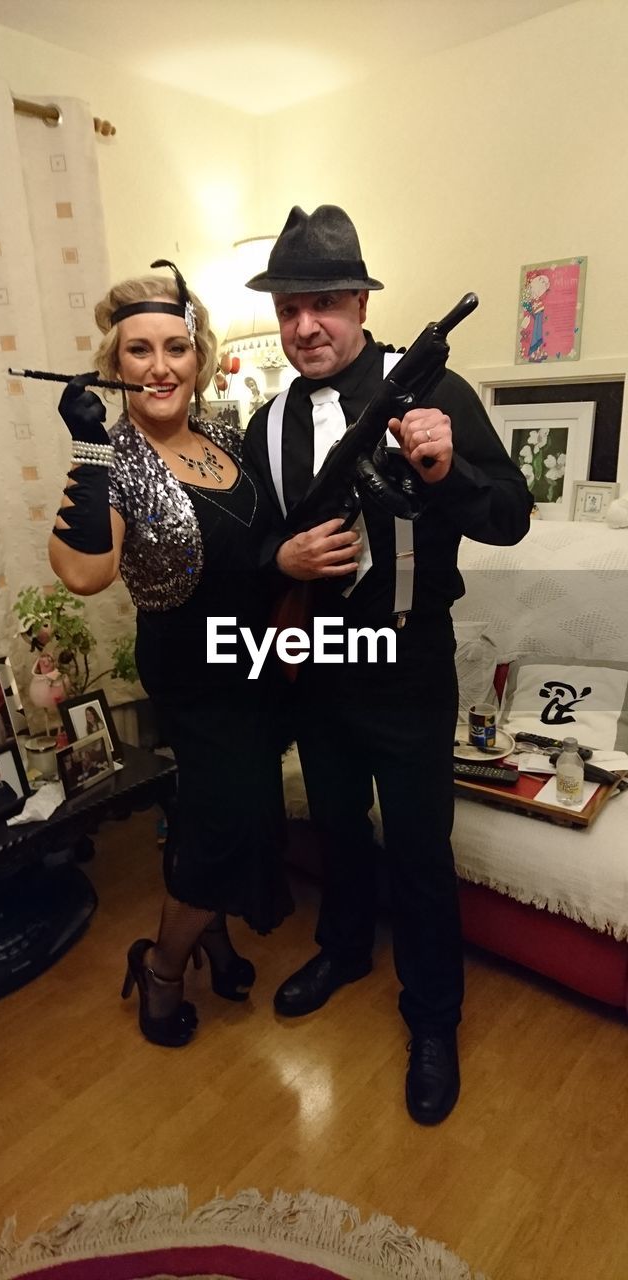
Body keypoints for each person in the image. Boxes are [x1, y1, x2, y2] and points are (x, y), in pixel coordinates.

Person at [241, 205, 533, 1126]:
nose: (304, 326)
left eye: (322, 302)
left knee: (417, 845)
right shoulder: (268, 421)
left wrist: (448, 474)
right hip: (314, 655)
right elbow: (248, 542)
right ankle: (343, 947)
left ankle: (433, 1017)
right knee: (334, 820)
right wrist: (275, 565)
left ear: (362, 302)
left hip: (407, 656)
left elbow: (511, 517)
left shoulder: (434, 391)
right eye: (289, 308)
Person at [48, 261, 292, 1050]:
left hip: (258, 656)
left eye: (175, 349)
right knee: (224, 821)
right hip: (192, 667)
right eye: (139, 352)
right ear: (113, 368)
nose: (160, 367)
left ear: (201, 357)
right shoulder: (113, 459)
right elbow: (84, 573)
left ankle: (212, 937)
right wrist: (88, 447)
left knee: (238, 813)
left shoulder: (225, 433)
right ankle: (159, 966)